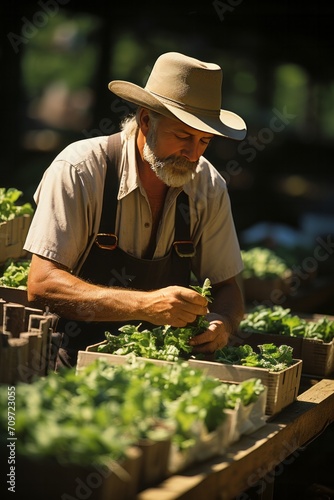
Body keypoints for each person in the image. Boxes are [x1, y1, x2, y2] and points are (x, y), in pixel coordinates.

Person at [23, 51, 247, 368]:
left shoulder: (208, 185)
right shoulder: (81, 170)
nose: (192, 154)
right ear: (145, 120)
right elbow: (43, 285)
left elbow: (228, 289)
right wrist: (144, 304)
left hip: (161, 368)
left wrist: (222, 322)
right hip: (69, 362)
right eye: (182, 136)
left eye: (204, 141)